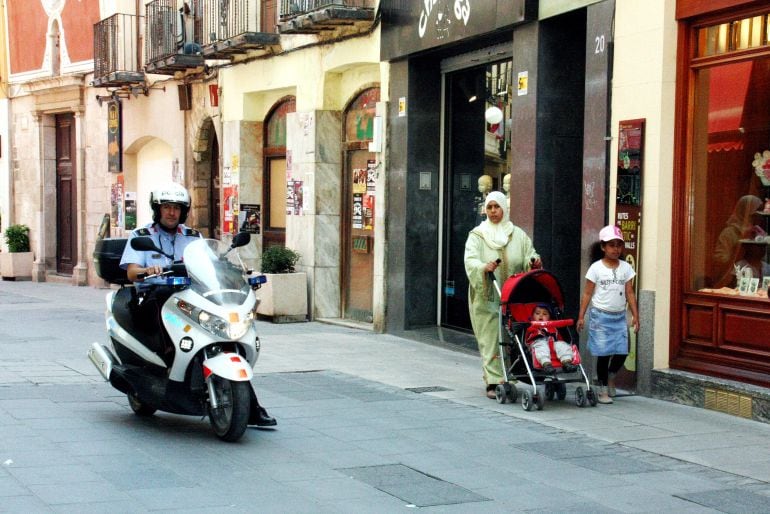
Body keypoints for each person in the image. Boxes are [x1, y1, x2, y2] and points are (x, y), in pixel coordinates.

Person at [120, 182, 276, 427]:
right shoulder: (141, 236)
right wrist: (147, 270)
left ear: (184, 211)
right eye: (167, 207)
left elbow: (211, 264)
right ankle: (167, 362)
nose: (172, 212)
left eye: (177, 208)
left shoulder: (193, 236)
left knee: (219, 327)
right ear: (157, 210)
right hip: (154, 295)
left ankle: (249, 402)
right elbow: (131, 272)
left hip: (190, 295)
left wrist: (235, 270)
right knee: (162, 296)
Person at [464, 191, 542, 399]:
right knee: (490, 338)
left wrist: (534, 262)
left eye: (496, 207)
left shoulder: (517, 235)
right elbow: (470, 260)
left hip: (513, 297)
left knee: (510, 337)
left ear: (504, 208)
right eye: (489, 207)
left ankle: (508, 377)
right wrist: (484, 267)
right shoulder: (478, 235)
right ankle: (493, 381)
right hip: (487, 297)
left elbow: (529, 255)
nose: (493, 211)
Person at [576, 225, 639, 405]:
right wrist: (581, 316)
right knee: (603, 355)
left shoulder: (626, 268)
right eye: (611, 245)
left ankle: (611, 376)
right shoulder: (596, 268)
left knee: (622, 352)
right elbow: (587, 293)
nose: (615, 249)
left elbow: (630, 292)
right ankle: (603, 389)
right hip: (600, 317)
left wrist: (636, 315)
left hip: (619, 317)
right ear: (603, 247)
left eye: (619, 245)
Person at [713, 195, 765, 287]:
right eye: (756, 212)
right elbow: (720, 263)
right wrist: (741, 243)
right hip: (732, 282)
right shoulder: (729, 233)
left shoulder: (758, 231)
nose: (760, 216)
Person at [525, 303, 573, 372]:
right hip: (538, 343)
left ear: (549, 317)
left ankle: (567, 362)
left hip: (552, 343)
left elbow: (559, 338)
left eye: (544, 314)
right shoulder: (531, 326)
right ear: (533, 316)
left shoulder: (553, 326)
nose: (541, 315)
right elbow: (528, 338)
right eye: (537, 313)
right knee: (541, 346)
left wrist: (561, 343)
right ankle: (546, 364)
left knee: (562, 345)